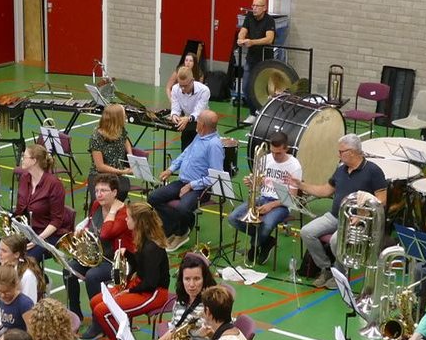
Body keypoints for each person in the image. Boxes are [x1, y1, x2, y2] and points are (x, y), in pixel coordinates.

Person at [295, 133, 386, 285]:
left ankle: (340, 274)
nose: (339, 155)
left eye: (341, 152)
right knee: (307, 232)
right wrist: (301, 185)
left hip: (356, 221)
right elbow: (325, 191)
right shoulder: (341, 169)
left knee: (335, 241)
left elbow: (382, 200)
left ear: (352, 152)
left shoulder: (373, 171)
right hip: (335, 216)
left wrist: (362, 216)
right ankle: (326, 268)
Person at [88, 201, 171, 340]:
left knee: (102, 310)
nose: (126, 219)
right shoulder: (142, 238)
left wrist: (128, 291)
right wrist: (127, 254)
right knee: (95, 301)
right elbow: (141, 266)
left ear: (138, 221)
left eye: (128, 217)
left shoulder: (152, 248)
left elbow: (150, 283)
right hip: (140, 285)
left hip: (154, 293)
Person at [143, 252, 212, 340]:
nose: (191, 285)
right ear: (181, 279)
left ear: (204, 279)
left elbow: (222, 337)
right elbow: (174, 329)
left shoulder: (211, 303)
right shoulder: (181, 301)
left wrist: (210, 333)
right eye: (187, 279)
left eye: (197, 279)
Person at [230, 130, 303, 263]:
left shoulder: (294, 166)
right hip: (263, 198)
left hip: (282, 204)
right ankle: (266, 241)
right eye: (272, 152)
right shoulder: (265, 159)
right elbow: (258, 183)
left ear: (286, 149)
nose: (274, 156)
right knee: (233, 218)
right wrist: (252, 182)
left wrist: (271, 206)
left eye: (278, 153)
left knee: (267, 224)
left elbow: (292, 198)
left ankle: (255, 245)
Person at [149, 109, 222, 239]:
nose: (196, 123)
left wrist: (191, 186)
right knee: (153, 197)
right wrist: (171, 169)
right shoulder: (199, 136)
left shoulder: (214, 145)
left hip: (200, 189)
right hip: (182, 182)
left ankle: (181, 232)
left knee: (182, 209)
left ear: (203, 125)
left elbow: (215, 177)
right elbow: (185, 154)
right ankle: (181, 223)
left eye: (198, 121)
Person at [70, 174, 133, 311]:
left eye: (103, 190)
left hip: (116, 261)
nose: (99, 194)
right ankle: (74, 311)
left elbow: (105, 234)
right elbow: (91, 224)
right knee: (69, 269)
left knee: (92, 276)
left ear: (114, 192)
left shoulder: (123, 213)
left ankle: (98, 315)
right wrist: (83, 231)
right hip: (97, 255)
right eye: (97, 190)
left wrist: (112, 211)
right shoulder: (96, 205)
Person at [9, 141, 73, 254]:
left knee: (24, 256)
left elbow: (56, 220)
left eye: (25, 157)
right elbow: (19, 210)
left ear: (34, 161)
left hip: (47, 233)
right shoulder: (24, 177)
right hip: (26, 230)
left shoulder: (54, 184)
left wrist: (37, 240)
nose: (22, 159)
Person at [234, 0, 276, 94]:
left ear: (264, 8)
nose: (254, 8)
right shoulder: (249, 17)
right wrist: (241, 39)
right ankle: (250, 104)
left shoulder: (269, 20)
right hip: (251, 58)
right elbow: (242, 31)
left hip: (265, 59)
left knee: (262, 89)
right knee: (246, 87)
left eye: (257, 6)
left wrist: (252, 42)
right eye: (253, 5)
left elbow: (269, 39)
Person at [163, 65, 210, 151]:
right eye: (180, 85)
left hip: (202, 125)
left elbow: (199, 111)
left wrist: (188, 118)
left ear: (192, 81)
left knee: (200, 153)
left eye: (185, 85)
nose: (182, 88)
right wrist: (174, 115)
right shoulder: (175, 89)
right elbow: (175, 108)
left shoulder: (204, 90)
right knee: (185, 151)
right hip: (187, 124)